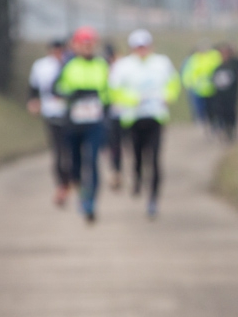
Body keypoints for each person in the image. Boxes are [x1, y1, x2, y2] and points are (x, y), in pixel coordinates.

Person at [109, 29, 181, 219]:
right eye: (138, 47)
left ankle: (153, 200)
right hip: (133, 118)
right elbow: (114, 91)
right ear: (132, 48)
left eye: (144, 46)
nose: (142, 50)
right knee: (137, 157)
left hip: (155, 116)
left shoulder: (161, 63)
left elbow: (174, 83)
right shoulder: (123, 66)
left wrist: (169, 96)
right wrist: (132, 99)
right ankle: (138, 179)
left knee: (156, 160)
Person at [53, 26, 111, 224]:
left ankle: (91, 202)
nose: (87, 47)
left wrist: (102, 103)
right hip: (74, 123)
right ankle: (82, 193)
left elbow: (109, 91)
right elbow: (57, 88)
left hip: (94, 122)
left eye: (90, 43)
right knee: (75, 163)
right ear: (76, 45)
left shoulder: (102, 65)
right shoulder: (68, 65)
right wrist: (73, 95)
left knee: (93, 161)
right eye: (83, 44)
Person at [27, 38, 70, 206]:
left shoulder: (71, 64)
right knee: (58, 151)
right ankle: (62, 184)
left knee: (72, 150)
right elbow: (33, 87)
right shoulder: (41, 66)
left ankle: (72, 180)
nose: (58, 54)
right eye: (55, 50)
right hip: (51, 113)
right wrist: (33, 101)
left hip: (71, 114)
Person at [208, 43, 238, 141]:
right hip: (220, 96)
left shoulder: (234, 66)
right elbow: (213, 80)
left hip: (232, 96)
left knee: (232, 113)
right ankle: (225, 130)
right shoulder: (217, 67)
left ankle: (232, 129)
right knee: (221, 113)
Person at [102, 43, 124, 190]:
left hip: (125, 110)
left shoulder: (123, 68)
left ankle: (118, 170)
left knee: (121, 144)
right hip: (109, 111)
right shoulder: (102, 69)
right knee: (113, 144)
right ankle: (116, 171)